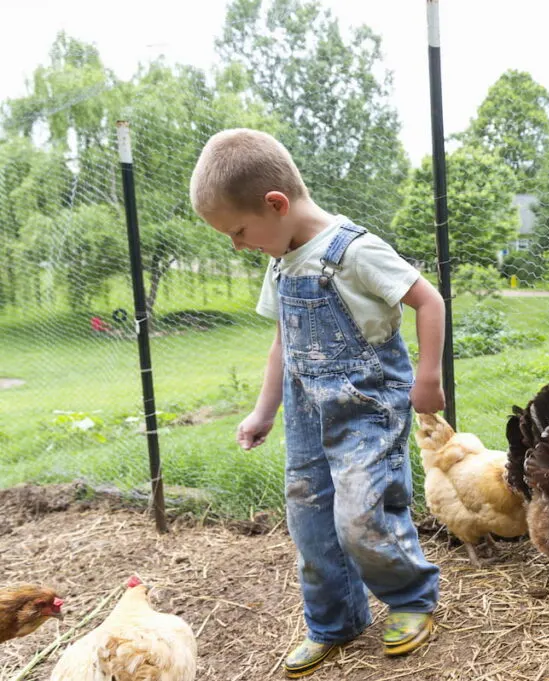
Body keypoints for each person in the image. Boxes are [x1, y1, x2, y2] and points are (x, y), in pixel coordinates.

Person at [190, 128, 445, 678]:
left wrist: (428, 377)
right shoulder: (282, 262)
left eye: (238, 231)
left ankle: (410, 598)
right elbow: (283, 342)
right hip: (309, 411)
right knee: (308, 515)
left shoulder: (355, 250)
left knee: (360, 513)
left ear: (275, 204)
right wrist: (264, 410)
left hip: (367, 406)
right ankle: (335, 622)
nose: (237, 244)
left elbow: (428, 299)